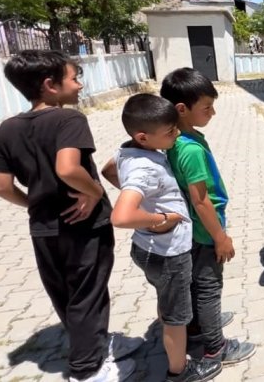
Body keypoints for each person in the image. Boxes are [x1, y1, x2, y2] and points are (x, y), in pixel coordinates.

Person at [0, 50, 141, 382]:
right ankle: (88, 370)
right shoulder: (68, 120)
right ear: (50, 85)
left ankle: (94, 345)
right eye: (74, 78)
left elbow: (1, 186)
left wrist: (34, 203)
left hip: (43, 228)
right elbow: (68, 168)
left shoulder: (7, 128)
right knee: (88, 293)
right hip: (83, 226)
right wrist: (95, 192)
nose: (81, 85)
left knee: (66, 293)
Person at [101, 94, 222, 382]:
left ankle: (175, 342)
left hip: (147, 249)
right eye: (170, 132)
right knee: (175, 318)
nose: (177, 134)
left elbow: (107, 170)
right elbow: (120, 216)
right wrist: (160, 219)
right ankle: (179, 370)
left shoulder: (127, 152)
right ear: (143, 137)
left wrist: (148, 205)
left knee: (168, 305)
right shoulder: (145, 168)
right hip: (168, 254)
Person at [160, 68, 256, 367]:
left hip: (192, 230)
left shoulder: (177, 140)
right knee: (209, 288)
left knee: (196, 285)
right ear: (181, 109)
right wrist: (221, 237)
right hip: (205, 230)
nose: (213, 113)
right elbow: (201, 201)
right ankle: (216, 348)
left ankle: (198, 325)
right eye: (206, 108)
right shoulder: (189, 149)